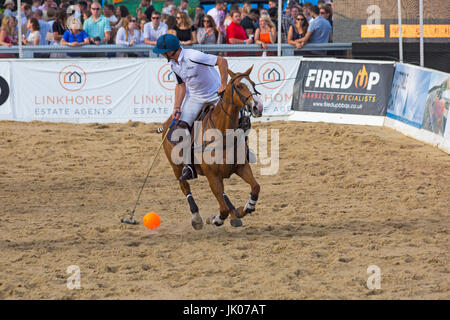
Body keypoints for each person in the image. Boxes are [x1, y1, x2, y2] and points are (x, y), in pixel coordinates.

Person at [152, 34, 229, 181]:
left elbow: (222, 61)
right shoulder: (173, 65)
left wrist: (223, 85)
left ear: (171, 51)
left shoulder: (193, 56)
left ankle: (244, 151)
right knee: (180, 128)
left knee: (238, 117)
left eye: (163, 51)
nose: (161, 54)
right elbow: (181, 86)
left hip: (214, 94)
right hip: (195, 98)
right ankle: (189, 166)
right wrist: (177, 107)